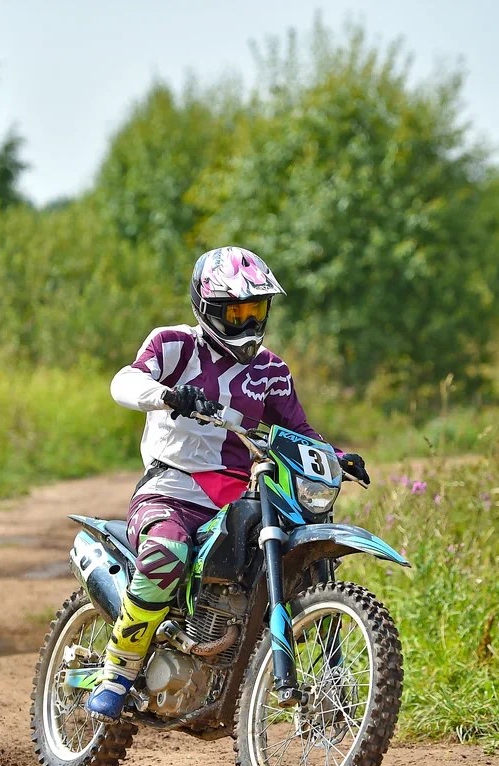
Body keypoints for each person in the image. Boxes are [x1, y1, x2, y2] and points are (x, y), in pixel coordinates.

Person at [86, 245, 369, 721]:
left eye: (254, 310)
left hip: (239, 497)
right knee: (166, 553)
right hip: (170, 489)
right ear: (206, 307)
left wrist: (337, 456)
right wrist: (165, 394)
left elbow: (298, 430)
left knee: (285, 551)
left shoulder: (272, 372)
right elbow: (124, 382)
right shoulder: (174, 345)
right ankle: (118, 668)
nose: (245, 322)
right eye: (233, 311)